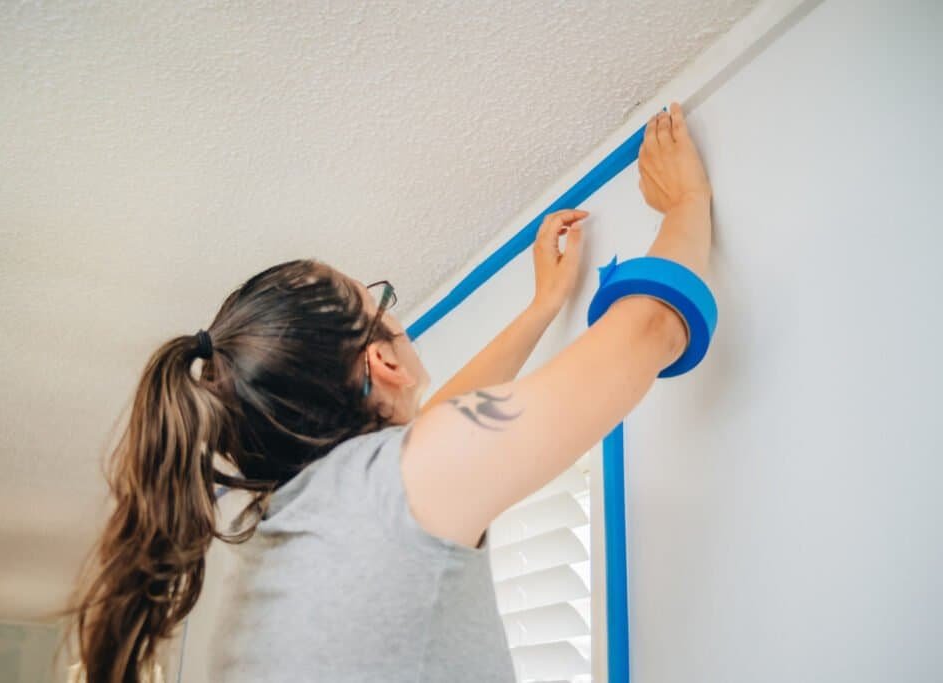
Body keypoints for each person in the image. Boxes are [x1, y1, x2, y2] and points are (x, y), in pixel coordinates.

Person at [63, 101, 712, 682]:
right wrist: (684, 204)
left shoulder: (291, 532)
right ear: (381, 358)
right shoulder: (387, 491)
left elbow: (426, 440)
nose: (392, 309)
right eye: (379, 298)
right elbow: (649, 331)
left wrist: (543, 307)